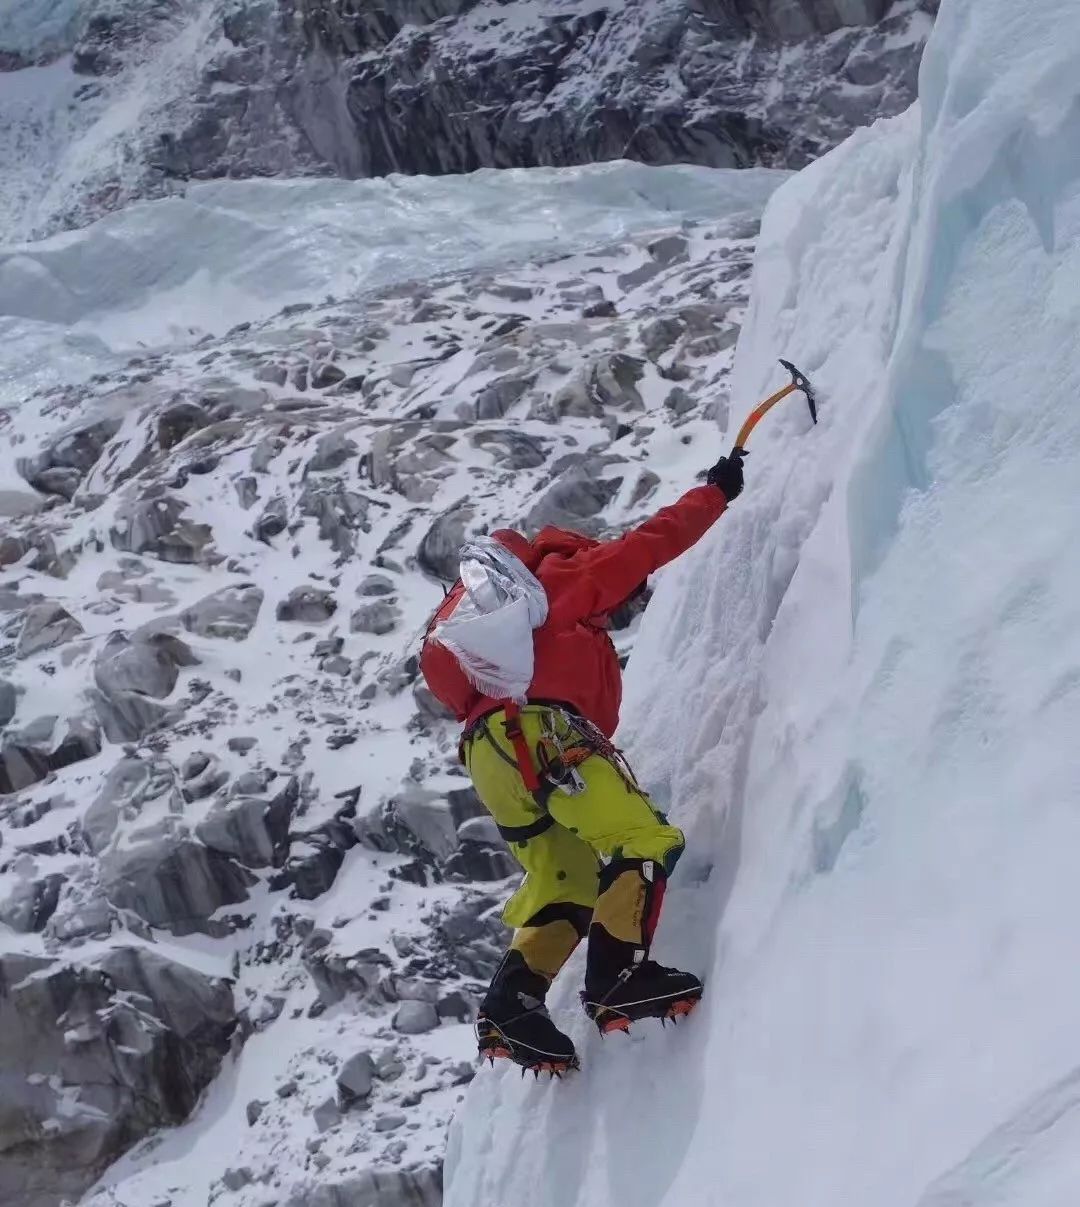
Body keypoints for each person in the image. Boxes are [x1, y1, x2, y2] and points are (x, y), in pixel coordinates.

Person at [421, 451, 746, 1072]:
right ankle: (618, 979)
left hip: (488, 758)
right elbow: (650, 545)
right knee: (640, 838)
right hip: (550, 738)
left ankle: (512, 1007)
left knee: (565, 876)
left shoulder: (487, 624)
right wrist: (716, 492)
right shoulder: (563, 576)